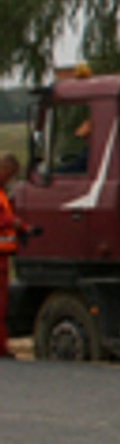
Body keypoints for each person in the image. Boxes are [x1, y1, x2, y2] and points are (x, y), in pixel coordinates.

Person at [1, 153, 24, 359]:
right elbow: (4, 219)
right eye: (10, 174)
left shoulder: (3, 193)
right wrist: (15, 224)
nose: (11, 179)